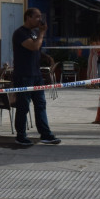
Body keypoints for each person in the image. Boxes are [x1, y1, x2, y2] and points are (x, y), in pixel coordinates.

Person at [11, 8, 61, 146]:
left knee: (40, 105)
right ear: (28, 17)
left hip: (36, 75)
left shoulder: (33, 33)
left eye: (40, 16)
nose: (40, 19)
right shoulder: (20, 33)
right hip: (24, 75)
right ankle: (21, 135)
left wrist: (45, 57)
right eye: (37, 17)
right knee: (23, 106)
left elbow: (36, 50)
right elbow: (33, 47)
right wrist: (43, 32)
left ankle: (46, 134)